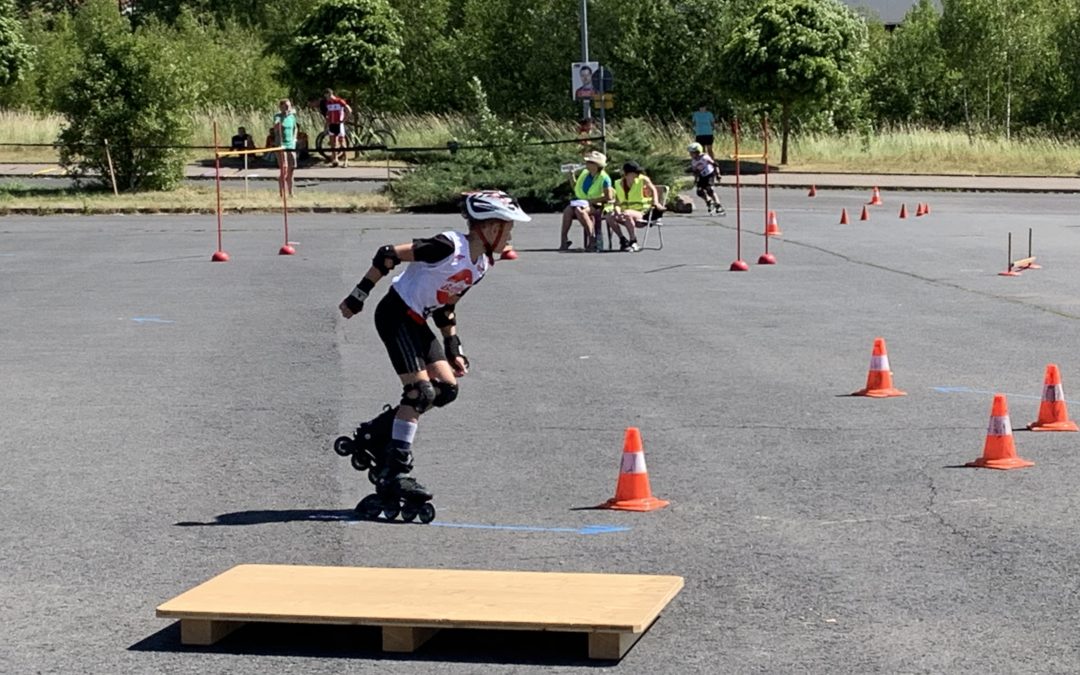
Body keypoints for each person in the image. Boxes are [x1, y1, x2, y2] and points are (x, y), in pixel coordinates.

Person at [335, 190, 532, 523]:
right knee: (419, 393)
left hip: (418, 321)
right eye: (507, 227)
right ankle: (395, 471)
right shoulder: (448, 246)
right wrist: (359, 294)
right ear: (489, 227)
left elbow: (447, 301)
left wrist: (453, 345)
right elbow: (387, 255)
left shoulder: (481, 263)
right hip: (395, 314)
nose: (510, 235)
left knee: (446, 389)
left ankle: (375, 433)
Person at [560, 150, 614, 251]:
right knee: (568, 211)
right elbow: (576, 187)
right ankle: (564, 240)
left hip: (597, 204)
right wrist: (571, 176)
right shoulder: (585, 174)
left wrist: (591, 201)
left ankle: (592, 239)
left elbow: (609, 197)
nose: (586, 164)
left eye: (589, 162)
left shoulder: (604, 178)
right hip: (581, 202)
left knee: (580, 211)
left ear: (596, 165)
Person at [607, 161, 658, 252]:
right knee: (609, 216)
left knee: (627, 213)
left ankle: (633, 240)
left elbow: (653, 189)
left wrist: (656, 202)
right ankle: (623, 240)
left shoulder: (643, 180)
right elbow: (617, 203)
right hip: (625, 213)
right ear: (627, 174)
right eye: (635, 173)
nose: (637, 175)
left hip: (642, 212)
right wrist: (617, 211)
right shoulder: (618, 183)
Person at [689, 142, 724, 215]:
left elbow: (715, 164)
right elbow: (696, 171)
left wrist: (718, 174)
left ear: (697, 152)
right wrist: (696, 180)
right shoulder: (693, 161)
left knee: (709, 190)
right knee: (699, 191)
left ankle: (718, 205)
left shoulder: (705, 157)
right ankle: (709, 202)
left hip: (709, 174)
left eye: (692, 153)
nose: (690, 155)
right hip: (701, 176)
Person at [321, 88, 353, 168]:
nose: (326, 98)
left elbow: (349, 110)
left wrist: (344, 120)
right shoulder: (328, 103)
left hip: (339, 124)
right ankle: (335, 160)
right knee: (333, 143)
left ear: (330, 94)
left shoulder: (339, 101)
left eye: (327, 96)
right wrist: (326, 125)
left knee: (342, 142)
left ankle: (346, 160)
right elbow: (328, 114)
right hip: (332, 124)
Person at [273, 98, 298, 198]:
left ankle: (291, 192)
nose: (288, 108)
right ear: (281, 107)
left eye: (289, 106)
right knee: (284, 168)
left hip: (291, 145)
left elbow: (295, 127)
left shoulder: (292, 116)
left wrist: (294, 138)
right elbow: (275, 127)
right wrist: (282, 118)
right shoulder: (278, 116)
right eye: (286, 106)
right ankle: (282, 194)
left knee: (292, 168)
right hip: (281, 145)